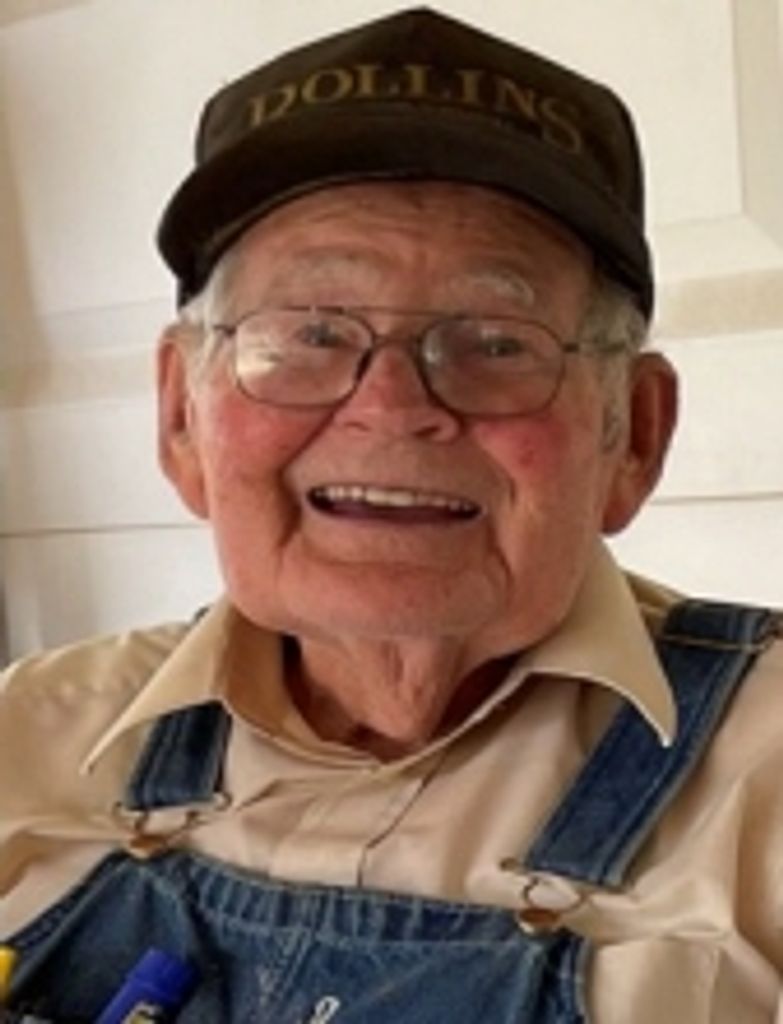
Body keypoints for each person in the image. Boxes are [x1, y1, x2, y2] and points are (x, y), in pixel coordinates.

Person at [1, 7, 781, 1022]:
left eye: (495, 341)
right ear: (180, 416)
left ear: (631, 433)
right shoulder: (28, 734)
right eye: (310, 333)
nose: (392, 406)